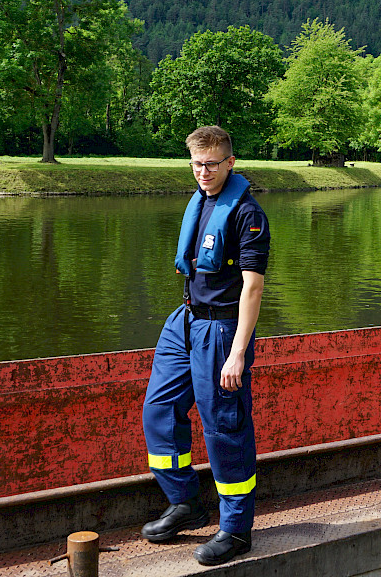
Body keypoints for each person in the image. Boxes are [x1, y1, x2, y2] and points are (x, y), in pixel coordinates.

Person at [141, 125, 269, 566]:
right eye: (196, 164)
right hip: (186, 321)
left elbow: (252, 289)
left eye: (212, 164)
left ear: (230, 162)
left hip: (221, 330)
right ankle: (184, 500)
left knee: (224, 428)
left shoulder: (247, 214)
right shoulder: (201, 202)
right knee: (159, 408)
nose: (203, 172)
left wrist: (237, 351)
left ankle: (236, 530)